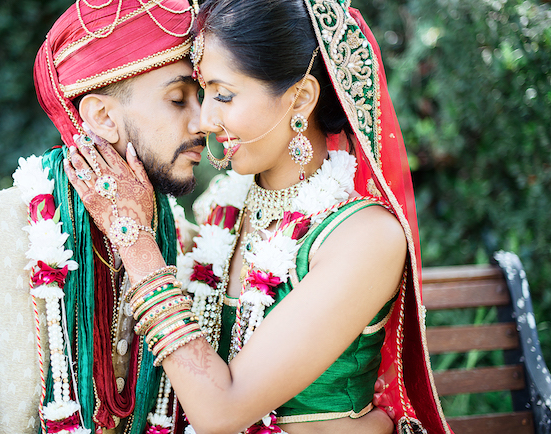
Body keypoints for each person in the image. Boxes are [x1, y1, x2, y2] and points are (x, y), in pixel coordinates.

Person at [65, 0, 453, 434]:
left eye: (224, 95)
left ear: (300, 98)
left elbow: (221, 412)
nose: (206, 121)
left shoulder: (363, 237)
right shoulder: (224, 211)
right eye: (199, 92)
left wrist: (134, 240)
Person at [0, 1, 204, 433]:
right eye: (178, 99)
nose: (204, 122)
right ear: (102, 117)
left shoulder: (188, 247)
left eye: (205, 97)